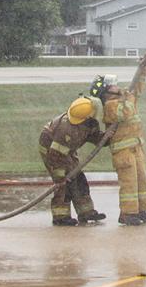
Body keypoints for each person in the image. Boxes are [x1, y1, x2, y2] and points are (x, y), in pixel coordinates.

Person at [91, 54, 146, 225]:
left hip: (136, 147)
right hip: (123, 152)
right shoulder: (109, 106)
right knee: (129, 184)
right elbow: (126, 112)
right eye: (112, 85)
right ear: (106, 92)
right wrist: (128, 96)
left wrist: (143, 68)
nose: (116, 86)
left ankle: (141, 210)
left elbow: (138, 87)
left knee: (141, 181)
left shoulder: (123, 97)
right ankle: (127, 214)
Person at [39, 97, 108, 226]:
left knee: (79, 179)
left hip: (66, 151)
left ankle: (86, 212)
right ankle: (60, 217)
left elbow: (95, 137)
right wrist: (60, 177)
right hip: (51, 151)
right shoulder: (66, 130)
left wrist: (106, 138)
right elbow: (55, 156)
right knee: (64, 185)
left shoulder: (87, 122)